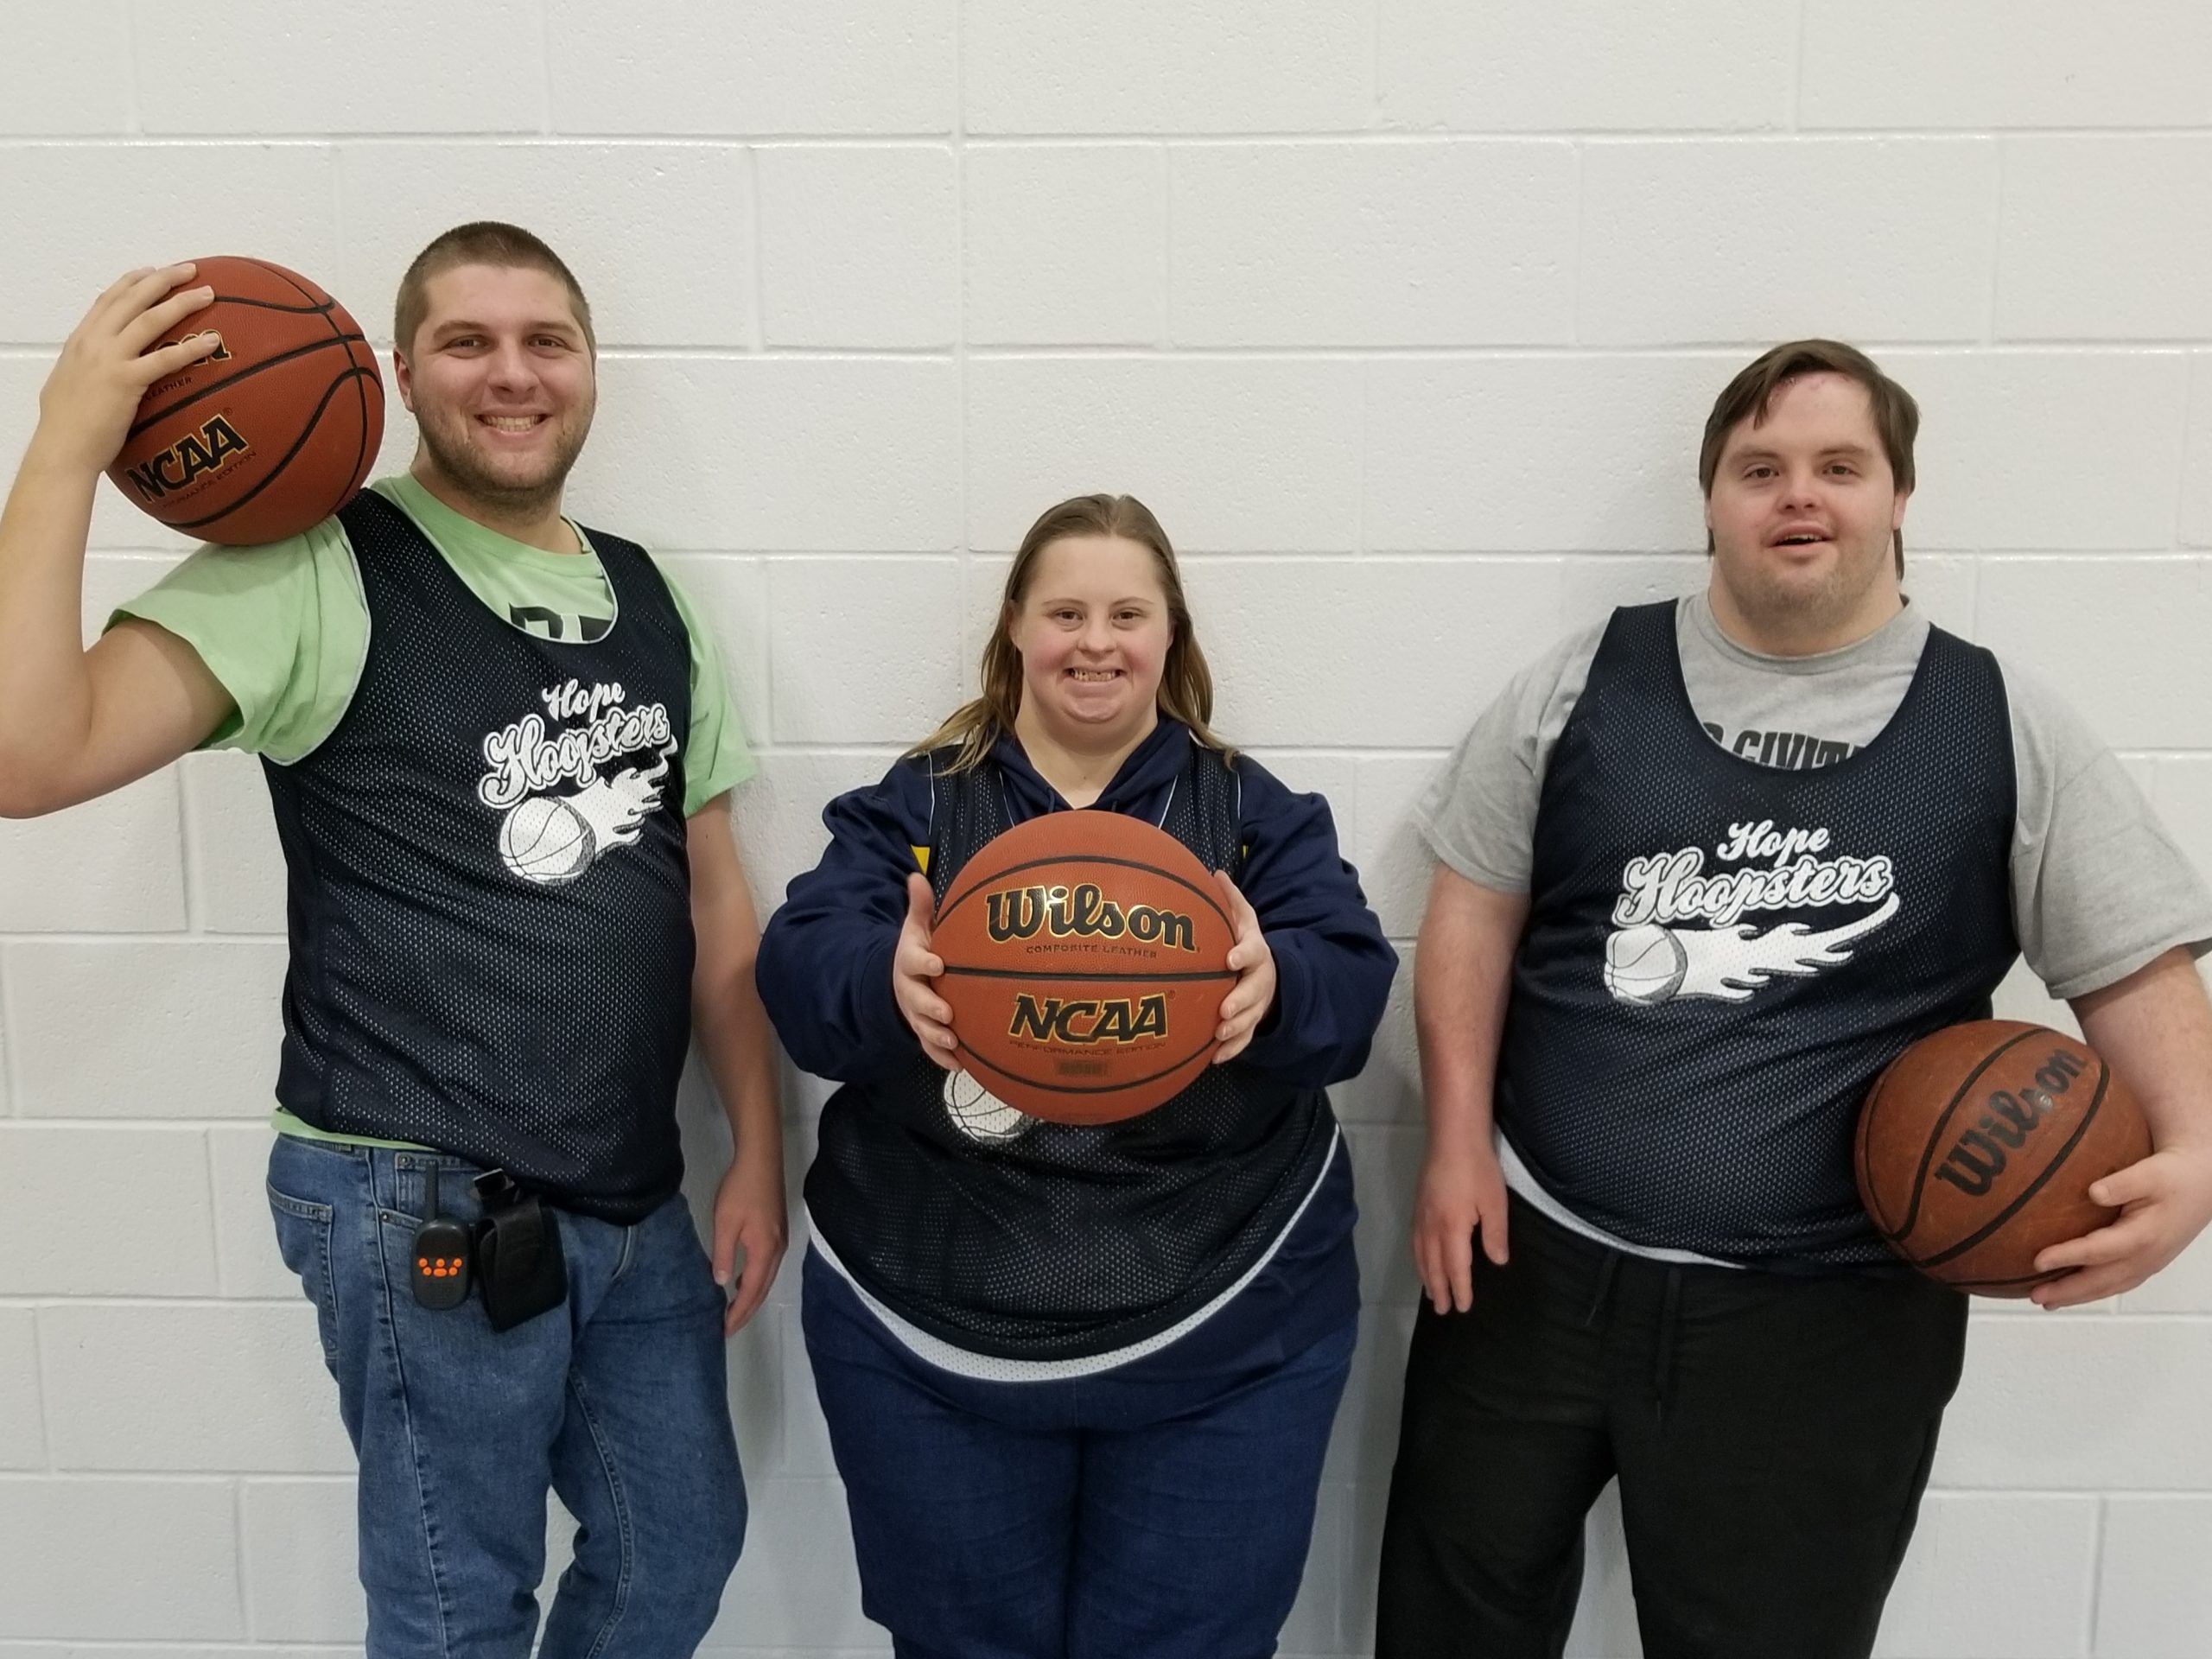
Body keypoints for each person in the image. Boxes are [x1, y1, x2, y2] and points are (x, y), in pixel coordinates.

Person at [0, 223, 784, 1659]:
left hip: (631, 1197)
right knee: (454, 1611)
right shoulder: (312, 568)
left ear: (589, 369)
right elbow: (24, 755)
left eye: (547, 341)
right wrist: (64, 444)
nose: (513, 375)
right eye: (469, 343)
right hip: (415, 1184)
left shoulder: (654, 596)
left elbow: (714, 899)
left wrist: (756, 1147)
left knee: (679, 1551)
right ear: (403, 373)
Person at [1375, 340, 2212, 1659]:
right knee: (1450, 1632)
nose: (1798, 495)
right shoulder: (1586, 679)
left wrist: (2200, 1156)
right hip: (1532, 1265)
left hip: (1827, 1322)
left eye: (1839, 466)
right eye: (1760, 468)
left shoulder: (1999, 721)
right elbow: (1473, 904)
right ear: (1712, 500)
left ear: (1898, 498)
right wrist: (1458, 1143)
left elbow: (2134, 959)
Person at [756, 493, 1396, 1658]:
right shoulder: (921, 802)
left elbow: (1351, 982)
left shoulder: (1253, 815)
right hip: (934, 1312)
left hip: (1224, 1315)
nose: (1095, 641)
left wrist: (1280, 985)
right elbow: (798, 968)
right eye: (1065, 611)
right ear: (1013, 628)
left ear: (1170, 638)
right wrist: (880, 978)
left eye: (1126, 613)